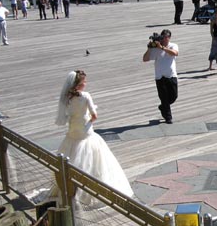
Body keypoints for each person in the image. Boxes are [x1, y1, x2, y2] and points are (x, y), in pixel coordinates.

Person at [54, 70, 133, 205]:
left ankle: (71, 189)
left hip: (73, 131)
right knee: (92, 160)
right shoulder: (86, 96)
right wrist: (89, 122)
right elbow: (94, 115)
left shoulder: (66, 97)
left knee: (72, 156)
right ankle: (90, 191)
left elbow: (66, 115)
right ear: (78, 84)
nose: (86, 83)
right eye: (84, 82)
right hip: (85, 132)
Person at [142, 29, 179, 124]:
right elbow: (145, 59)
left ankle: (163, 107)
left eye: (166, 37)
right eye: (163, 37)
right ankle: (168, 118)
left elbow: (175, 53)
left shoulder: (173, 45)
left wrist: (162, 47)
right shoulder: (156, 48)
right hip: (160, 77)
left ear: (169, 38)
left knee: (173, 96)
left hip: (171, 75)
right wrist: (150, 48)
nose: (164, 39)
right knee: (164, 98)